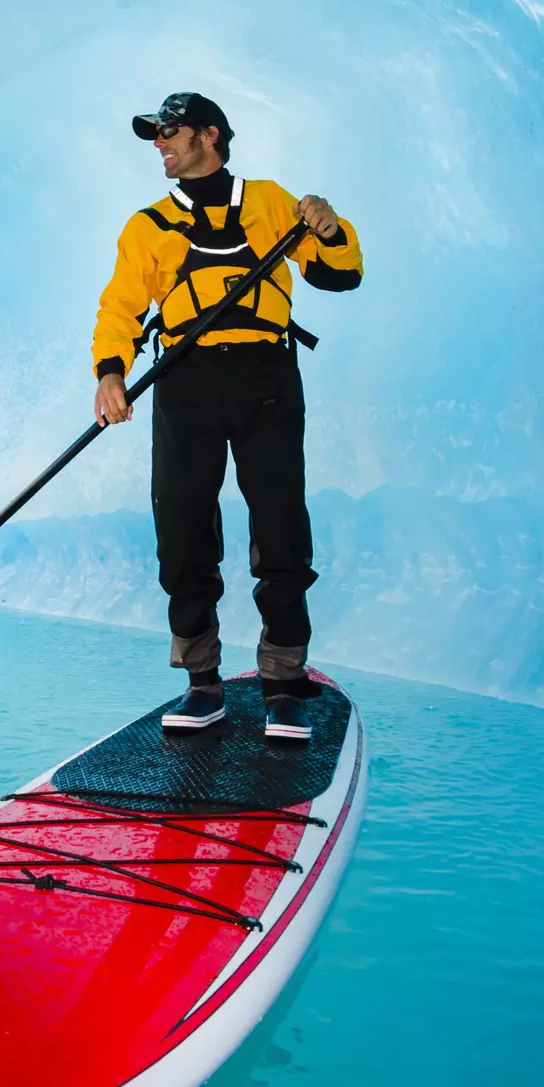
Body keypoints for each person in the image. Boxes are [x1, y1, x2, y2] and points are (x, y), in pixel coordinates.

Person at [90, 92, 363, 742]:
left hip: (266, 378)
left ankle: (284, 683)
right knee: (181, 530)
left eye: (169, 131)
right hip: (185, 381)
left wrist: (330, 228)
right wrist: (110, 373)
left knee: (280, 528)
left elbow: (340, 274)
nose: (159, 142)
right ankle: (203, 683)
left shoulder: (270, 202)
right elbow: (121, 309)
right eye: (154, 134)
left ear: (209, 135)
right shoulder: (146, 226)